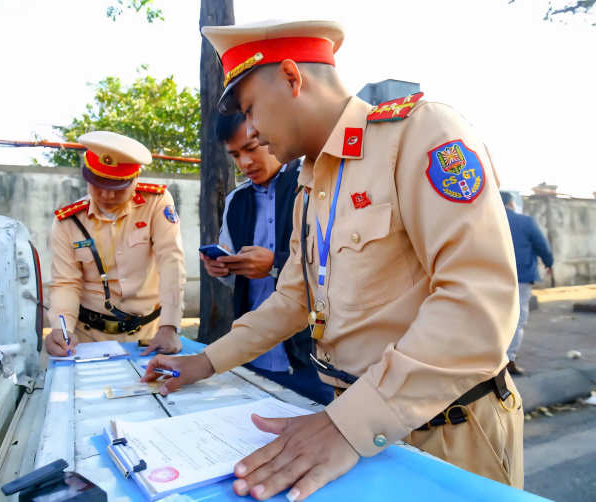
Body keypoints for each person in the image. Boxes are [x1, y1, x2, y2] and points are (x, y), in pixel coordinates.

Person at [143, 19, 524, 499]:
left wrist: (348, 425)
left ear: (291, 77)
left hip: (445, 429)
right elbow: (292, 300)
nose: (253, 130)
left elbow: (477, 307)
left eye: (251, 109)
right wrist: (207, 362)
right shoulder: (310, 184)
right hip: (350, 425)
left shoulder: (419, 134)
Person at [200, 112, 334, 405]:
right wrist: (223, 269)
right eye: (235, 154)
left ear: (270, 134)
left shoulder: (314, 186)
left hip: (311, 358)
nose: (244, 163)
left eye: (251, 148)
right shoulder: (237, 201)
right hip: (252, 354)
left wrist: (275, 264)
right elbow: (235, 278)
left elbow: (336, 265)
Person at [45, 131, 186, 357]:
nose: (106, 195)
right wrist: (62, 329)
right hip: (87, 338)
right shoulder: (68, 221)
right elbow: (65, 282)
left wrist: (170, 326)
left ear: (135, 179)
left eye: (117, 187)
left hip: (149, 336)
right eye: (98, 184)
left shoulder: (156, 203)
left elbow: (171, 262)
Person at [501, 191, 554, 375]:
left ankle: (491, 358)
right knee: (517, 318)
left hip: (494, 278)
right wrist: (549, 263)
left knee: (496, 316)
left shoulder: (485, 222)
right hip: (522, 277)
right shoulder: (526, 222)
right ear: (511, 203)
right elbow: (542, 245)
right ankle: (509, 359)